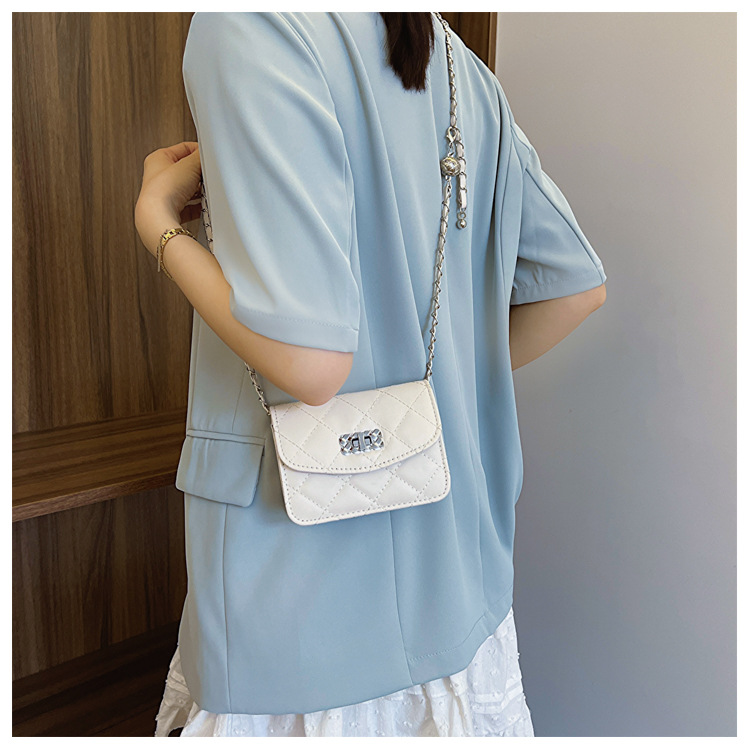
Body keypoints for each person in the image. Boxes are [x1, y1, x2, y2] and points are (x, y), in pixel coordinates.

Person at [134, 12, 606, 738]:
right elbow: (574, 289)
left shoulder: (250, 24)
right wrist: (440, 383)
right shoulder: (460, 67)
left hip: (296, 605)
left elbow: (308, 364)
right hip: (457, 591)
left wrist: (159, 223)